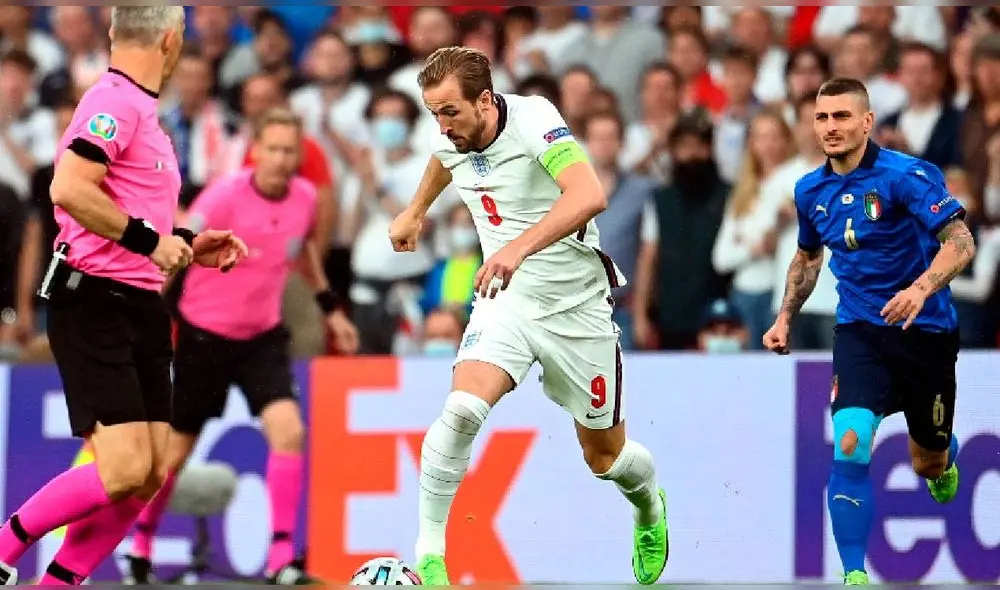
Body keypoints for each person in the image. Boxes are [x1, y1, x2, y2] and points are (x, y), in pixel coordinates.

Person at [389, 46, 668, 586]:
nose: (441, 125)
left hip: (575, 308)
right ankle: (430, 559)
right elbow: (441, 159)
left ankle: (650, 509)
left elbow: (590, 194)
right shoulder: (448, 133)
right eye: (433, 113)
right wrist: (415, 210)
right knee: (464, 408)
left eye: (450, 112)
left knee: (605, 458)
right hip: (505, 303)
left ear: (486, 101)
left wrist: (516, 248)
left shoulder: (534, 119)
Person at [0, 7, 248, 586]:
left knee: (151, 470)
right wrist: (150, 241)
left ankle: (58, 582)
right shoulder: (113, 102)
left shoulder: (141, 111)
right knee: (124, 467)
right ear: (171, 40)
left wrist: (186, 241)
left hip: (137, 301)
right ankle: (5, 544)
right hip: (93, 300)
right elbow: (68, 188)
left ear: (113, 32)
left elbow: (134, 215)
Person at [122, 108, 359, 585]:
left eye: (288, 150)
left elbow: (303, 253)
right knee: (173, 456)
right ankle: (141, 549)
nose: (279, 158)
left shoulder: (306, 198)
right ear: (255, 151)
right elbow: (179, 245)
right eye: (271, 148)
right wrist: (144, 314)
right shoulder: (226, 193)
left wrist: (331, 309)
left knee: (289, 432)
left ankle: (279, 562)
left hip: (262, 337)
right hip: (204, 338)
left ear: (298, 157)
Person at [763, 77, 975, 586]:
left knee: (926, 464)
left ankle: (944, 462)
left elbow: (961, 240)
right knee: (852, 441)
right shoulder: (809, 189)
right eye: (821, 118)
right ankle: (855, 575)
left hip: (924, 330)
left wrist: (921, 289)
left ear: (866, 121)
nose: (830, 127)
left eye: (841, 116)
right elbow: (809, 256)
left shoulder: (909, 176)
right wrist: (785, 315)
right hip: (860, 329)